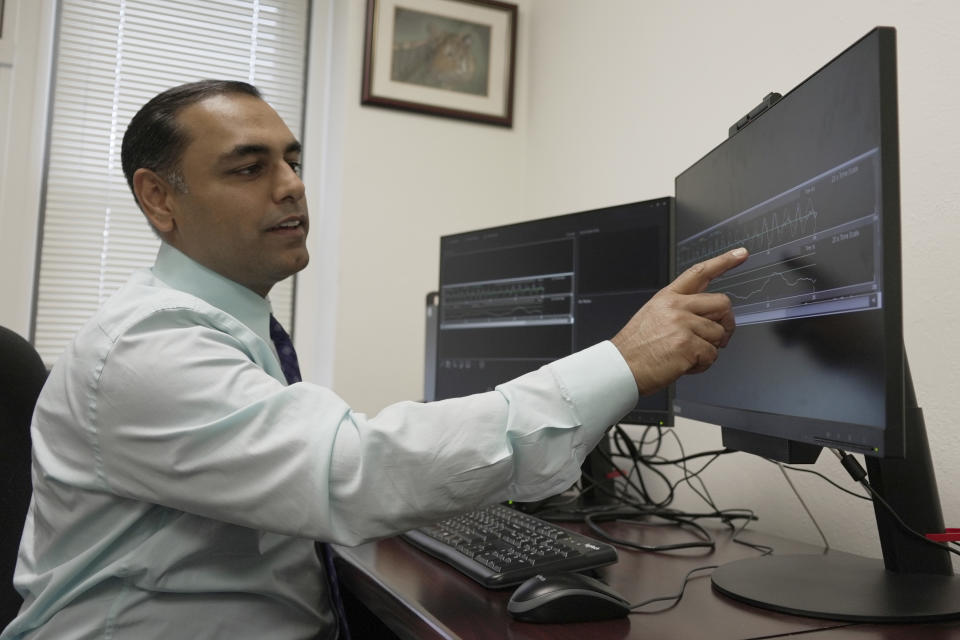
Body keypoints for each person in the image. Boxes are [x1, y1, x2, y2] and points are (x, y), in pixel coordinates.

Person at [2, 80, 748, 639]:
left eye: (292, 161)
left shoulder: (219, 328)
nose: (292, 185)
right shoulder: (144, 346)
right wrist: (621, 363)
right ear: (159, 199)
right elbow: (352, 471)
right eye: (248, 167)